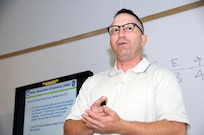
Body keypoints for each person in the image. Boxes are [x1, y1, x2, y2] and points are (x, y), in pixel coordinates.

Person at [64, 8, 189, 135]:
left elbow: (177, 130)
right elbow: (68, 131)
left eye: (129, 28)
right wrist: (91, 122)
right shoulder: (91, 82)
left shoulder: (162, 77)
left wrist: (120, 126)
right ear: (110, 42)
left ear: (143, 39)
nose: (121, 34)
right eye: (115, 30)